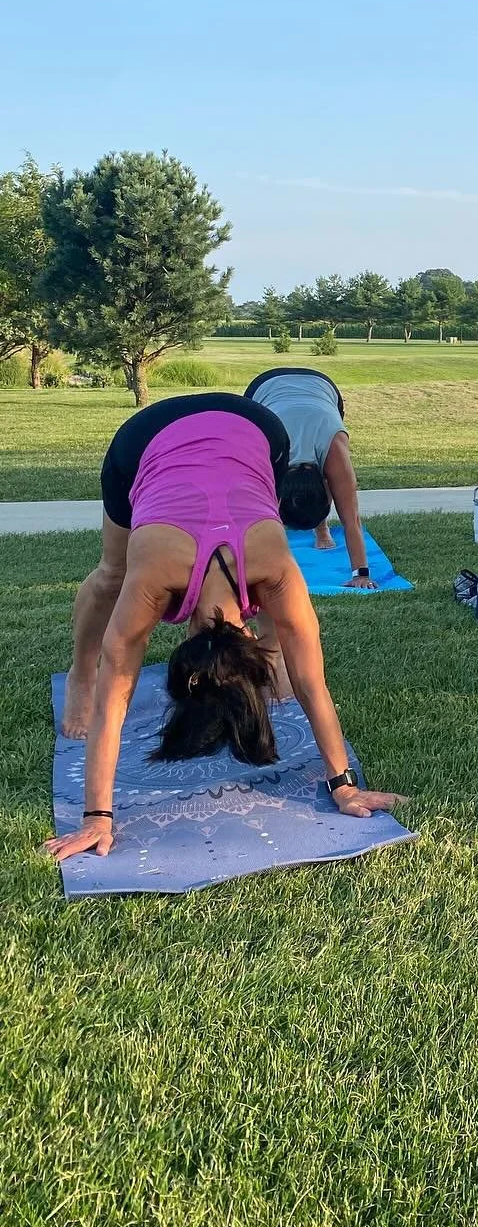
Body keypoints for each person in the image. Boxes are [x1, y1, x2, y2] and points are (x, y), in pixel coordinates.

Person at [45, 392, 400, 864]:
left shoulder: (273, 567)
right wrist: (96, 816)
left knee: (293, 627)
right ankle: (77, 673)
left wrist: (99, 818)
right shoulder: (155, 577)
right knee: (111, 573)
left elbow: (309, 680)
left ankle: (276, 655)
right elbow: (114, 693)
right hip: (147, 439)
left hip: (254, 429)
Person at [243, 366, 375, 588]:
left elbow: (351, 519)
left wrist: (360, 574)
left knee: (334, 478)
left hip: (322, 389)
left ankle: (321, 529)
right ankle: (281, 531)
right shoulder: (264, 445)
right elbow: (247, 512)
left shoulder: (334, 447)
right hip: (264, 389)